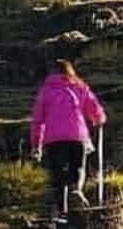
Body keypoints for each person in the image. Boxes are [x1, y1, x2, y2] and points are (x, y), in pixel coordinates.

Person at [30, 59, 107, 226]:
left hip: (54, 138)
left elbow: (37, 121)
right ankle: (76, 190)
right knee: (78, 167)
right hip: (77, 135)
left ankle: (62, 213)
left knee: (59, 175)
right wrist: (99, 119)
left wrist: (37, 145)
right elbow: (94, 108)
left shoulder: (45, 91)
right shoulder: (79, 87)